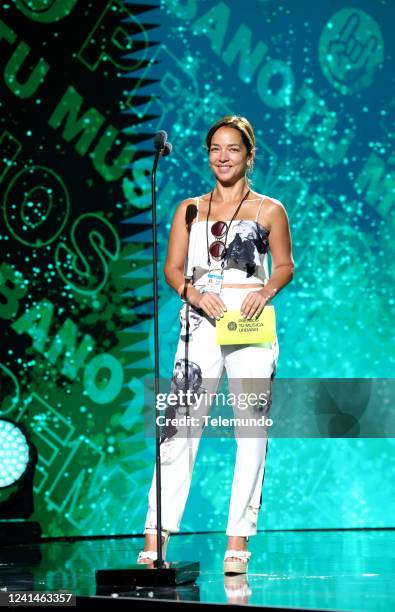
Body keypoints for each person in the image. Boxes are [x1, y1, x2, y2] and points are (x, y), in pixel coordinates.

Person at [137, 115, 295, 573]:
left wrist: (263, 292)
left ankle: (238, 539)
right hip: (200, 325)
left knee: (251, 433)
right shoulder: (189, 208)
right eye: (215, 149)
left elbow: (284, 265)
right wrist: (193, 293)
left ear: (249, 155)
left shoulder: (268, 210)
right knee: (179, 428)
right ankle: (156, 535)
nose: (222, 157)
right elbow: (172, 268)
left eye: (232, 149)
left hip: (250, 327)